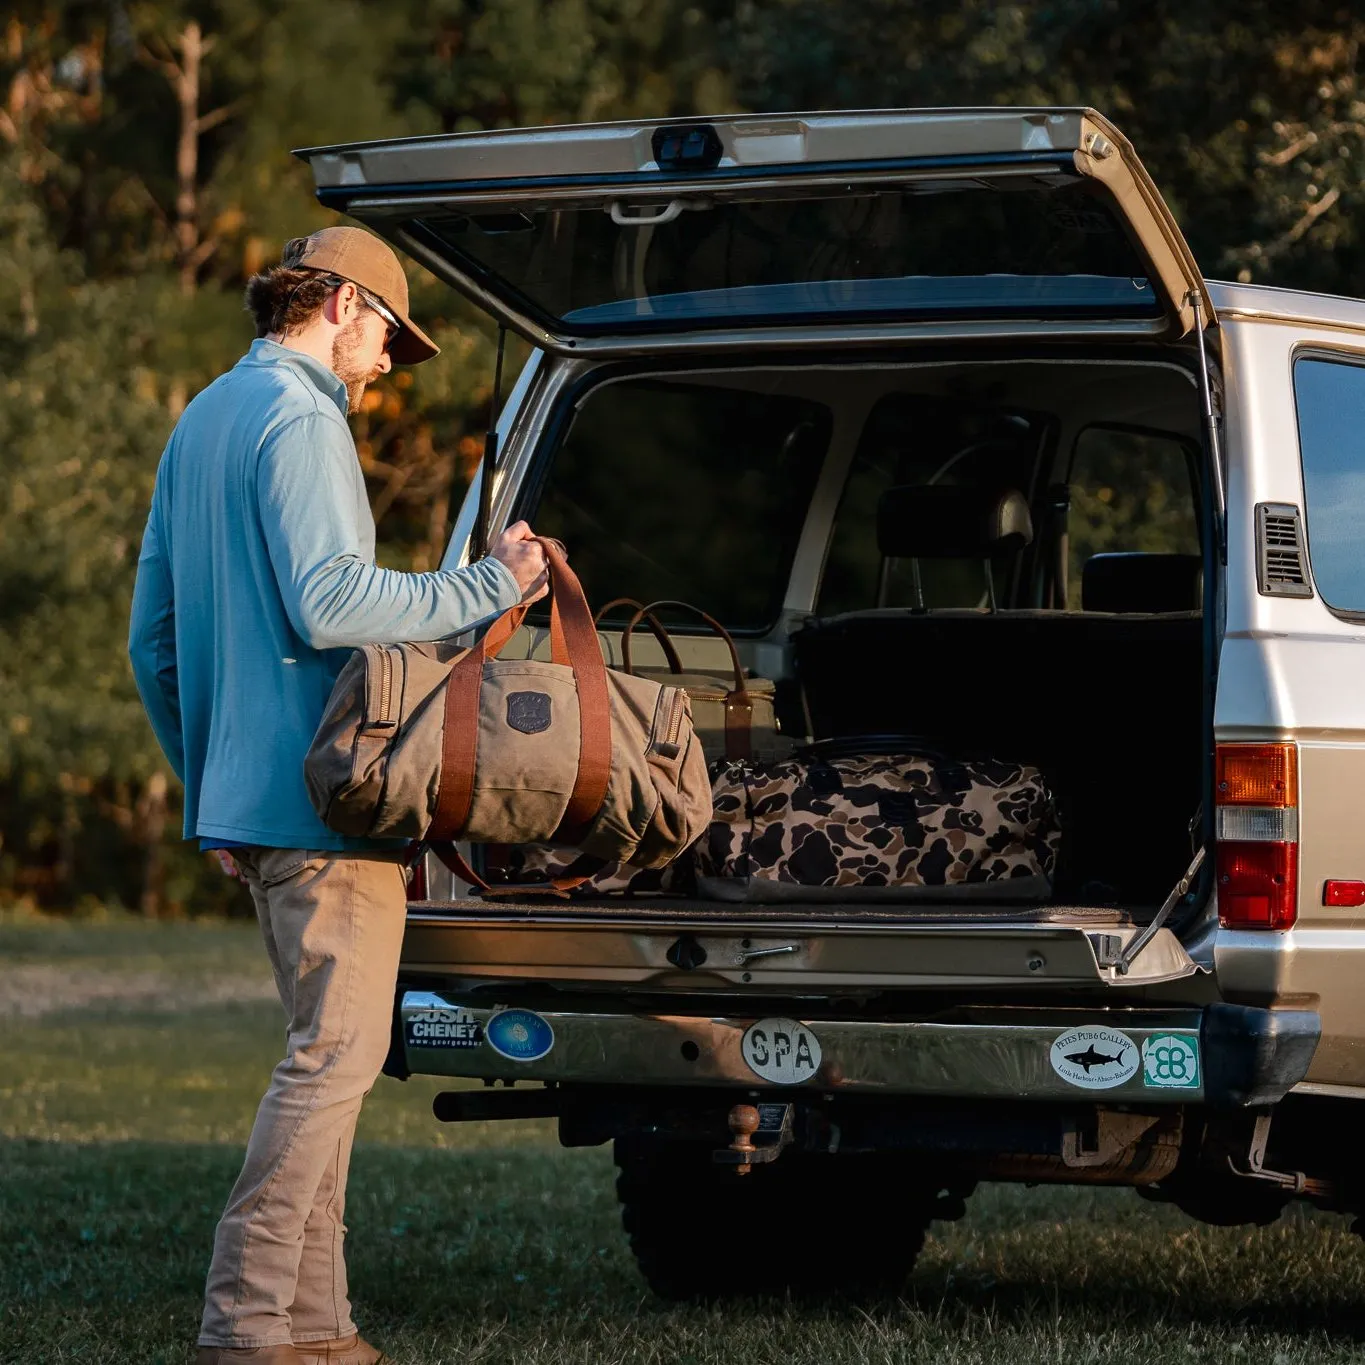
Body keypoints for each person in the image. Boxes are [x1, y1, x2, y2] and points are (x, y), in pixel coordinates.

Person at [128, 226, 548, 1365]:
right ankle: (249, 1324)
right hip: (330, 805)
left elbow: (151, 643)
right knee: (331, 1067)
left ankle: (321, 1329)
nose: (379, 371)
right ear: (345, 307)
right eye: (385, 343)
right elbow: (329, 602)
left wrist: (206, 790)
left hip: (250, 811)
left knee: (335, 1058)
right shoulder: (303, 413)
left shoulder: (203, 416)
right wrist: (487, 584)